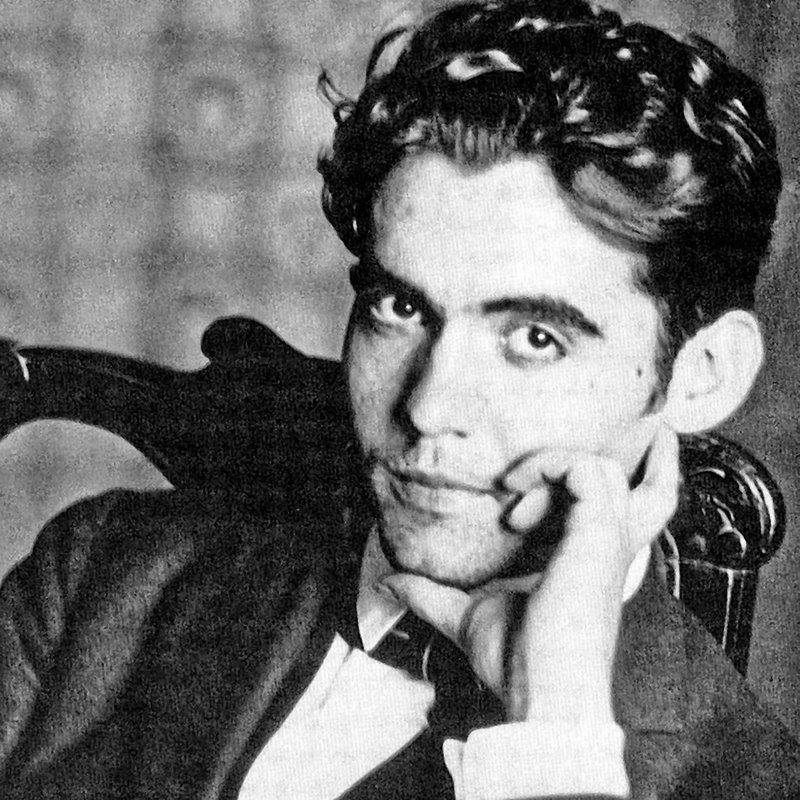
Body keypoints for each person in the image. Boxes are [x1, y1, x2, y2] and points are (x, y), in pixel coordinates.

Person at [0, 1, 798, 798]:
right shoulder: (103, 579)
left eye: (535, 338)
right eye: (400, 307)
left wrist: (552, 739)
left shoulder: (745, 783)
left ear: (703, 375)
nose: (427, 407)